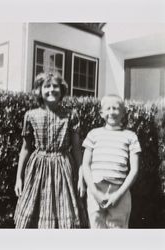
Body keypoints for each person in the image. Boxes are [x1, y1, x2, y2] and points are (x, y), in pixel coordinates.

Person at [14, 71, 87, 228]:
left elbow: (76, 149)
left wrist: (81, 177)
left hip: (63, 169)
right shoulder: (31, 115)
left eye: (55, 86)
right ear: (39, 91)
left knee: (64, 214)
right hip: (37, 169)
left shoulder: (70, 115)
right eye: (46, 86)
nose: (51, 90)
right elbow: (25, 148)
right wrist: (18, 177)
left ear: (61, 90)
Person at [82, 94, 141, 228]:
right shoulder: (93, 134)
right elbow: (85, 165)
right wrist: (95, 192)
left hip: (120, 191)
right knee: (97, 230)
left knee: (117, 234)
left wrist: (118, 195)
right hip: (95, 189)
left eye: (115, 108)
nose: (111, 112)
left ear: (123, 112)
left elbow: (135, 170)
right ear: (101, 113)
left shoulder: (130, 136)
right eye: (108, 108)